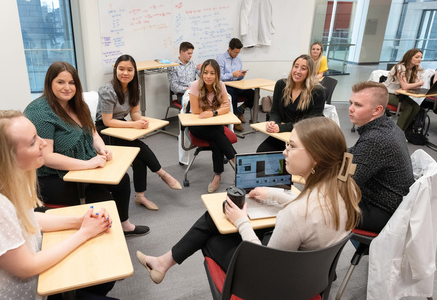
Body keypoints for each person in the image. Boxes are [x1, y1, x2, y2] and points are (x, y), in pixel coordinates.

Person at [136, 117, 361, 285]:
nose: (284, 152)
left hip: (271, 284)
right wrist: (273, 194)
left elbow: (264, 266)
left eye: (291, 146)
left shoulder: (296, 214)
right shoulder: (346, 188)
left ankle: (164, 263)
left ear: (317, 157)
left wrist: (242, 221)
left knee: (213, 231)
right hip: (312, 276)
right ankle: (163, 263)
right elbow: (304, 207)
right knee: (221, 218)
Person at [0, 110, 115, 300]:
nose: (43, 143)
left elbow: (29, 218)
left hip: (36, 286)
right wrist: (85, 232)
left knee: (103, 277)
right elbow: (27, 267)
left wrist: (79, 221)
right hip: (14, 293)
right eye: (33, 142)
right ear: (4, 158)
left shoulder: (11, 182)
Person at [25, 61, 149, 236]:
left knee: (121, 182)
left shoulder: (77, 104)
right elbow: (47, 157)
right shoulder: (40, 112)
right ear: (49, 83)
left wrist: (101, 147)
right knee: (104, 200)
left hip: (84, 167)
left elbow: (93, 133)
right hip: (52, 177)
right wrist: (88, 164)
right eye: (60, 82)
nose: (67, 87)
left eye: (72, 82)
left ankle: (124, 225)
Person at [95, 54, 182, 211]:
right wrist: (133, 125)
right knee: (139, 147)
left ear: (135, 71)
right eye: (121, 69)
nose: (125, 73)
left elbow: (134, 112)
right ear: (115, 70)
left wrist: (140, 120)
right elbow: (107, 121)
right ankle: (163, 174)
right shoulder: (107, 91)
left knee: (138, 156)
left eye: (129, 70)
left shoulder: (136, 88)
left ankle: (140, 196)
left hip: (120, 124)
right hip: (104, 130)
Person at [348, 81, 414, 232]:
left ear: (376, 110)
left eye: (358, 105)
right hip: (392, 205)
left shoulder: (375, 139)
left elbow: (346, 183)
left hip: (380, 212)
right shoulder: (385, 126)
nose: (351, 109)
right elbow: (356, 152)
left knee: (319, 206)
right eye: (351, 103)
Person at [257, 54, 325, 152]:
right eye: (296, 66)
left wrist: (280, 127)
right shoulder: (281, 84)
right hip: (284, 134)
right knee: (261, 152)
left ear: (309, 72)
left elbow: (309, 123)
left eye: (303, 68)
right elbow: (275, 111)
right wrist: (273, 123)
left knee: (290, 159)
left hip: (304, 136)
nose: (297, 71)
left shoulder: (317, 91)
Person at [186, 59, 236, 193]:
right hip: (197, 125)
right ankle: (236, 162)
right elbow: (196, 111)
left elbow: (227, 107)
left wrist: (213, 112)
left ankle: (217, 176)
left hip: (214, 122)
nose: (208, 76)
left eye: (212, 73)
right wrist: (217, 111)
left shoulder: (220, 85)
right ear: (201, 73)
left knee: (216, 140)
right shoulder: (195, 85)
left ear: (217, 74)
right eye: (205, 73)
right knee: (217, 135)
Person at [216, 38, 254, 132]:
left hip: (237, 84)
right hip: (225, 86)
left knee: (253, 94)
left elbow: (238, 77)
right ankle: (235, 120)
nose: (236, 54)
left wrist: (241, 75)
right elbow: (218, 77)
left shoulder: (238, 60)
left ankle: (239, 110)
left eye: (238, 52)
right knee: (232, 96)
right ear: (229, 49)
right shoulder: (220, 59)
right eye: (235, 52)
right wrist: (232, 74)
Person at [384, 48, 424, 131]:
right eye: (417, 57)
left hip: (400, 94)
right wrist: (417, 83)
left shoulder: (417, 68)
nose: (420, 59)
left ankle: (403, 132)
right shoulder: (400, 67)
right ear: (409, 57)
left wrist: (411, 85)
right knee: (408, 108)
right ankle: (397, 134)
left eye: (420, 57)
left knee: (416, 107)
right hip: (387, 93)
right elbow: (407, 86)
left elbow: (416, 87)